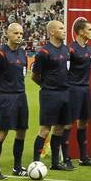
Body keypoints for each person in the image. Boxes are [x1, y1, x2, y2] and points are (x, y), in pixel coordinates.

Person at [30, 20, 74, 171]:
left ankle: (55, 163)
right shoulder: (44, 52)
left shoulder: (66, 50)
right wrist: (47, 86)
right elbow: (35, 76)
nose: (64, 30)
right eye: (61, 28)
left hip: (65, 93)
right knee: (45, 129)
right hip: (50, 94)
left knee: (60, 128)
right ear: (52, 32)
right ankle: (35, 163)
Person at [0, 21, 30, 176]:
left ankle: (17, 167)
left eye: (21, 33)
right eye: (16, 33)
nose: (19, 36)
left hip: (21, 96)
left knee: (21, 132)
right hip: (5, 97)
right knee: (2, 132)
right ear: (7, 34)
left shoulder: (22, 53)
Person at [66, 17, 91, 166]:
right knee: (68, 123)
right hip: (73, 89)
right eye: (89, 29)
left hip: (85, 90)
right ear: (80, 31)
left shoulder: (90, 49)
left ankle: (83, 157)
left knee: (83, 123)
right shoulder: (70, 49)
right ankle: (65, 158)